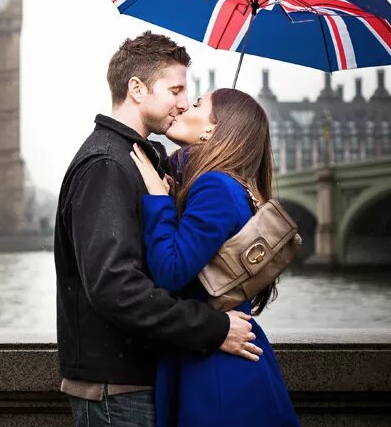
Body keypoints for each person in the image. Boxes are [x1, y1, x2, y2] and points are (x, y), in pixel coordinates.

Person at [55, 32, 262, 427]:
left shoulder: (143, 159)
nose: (184, 103)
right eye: (176, 89)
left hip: (140, 378)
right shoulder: (107, 165)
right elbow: (116, 288)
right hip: (117, 389)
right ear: (137, 89)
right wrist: (213, 328)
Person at [129, 88, 300, 427]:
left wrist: (157, 200)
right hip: (221, 355)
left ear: (212, 130)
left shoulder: (215, 187)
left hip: (216, 372)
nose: (183, 107)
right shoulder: (225, 184)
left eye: (196, 104)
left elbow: (171, 271)